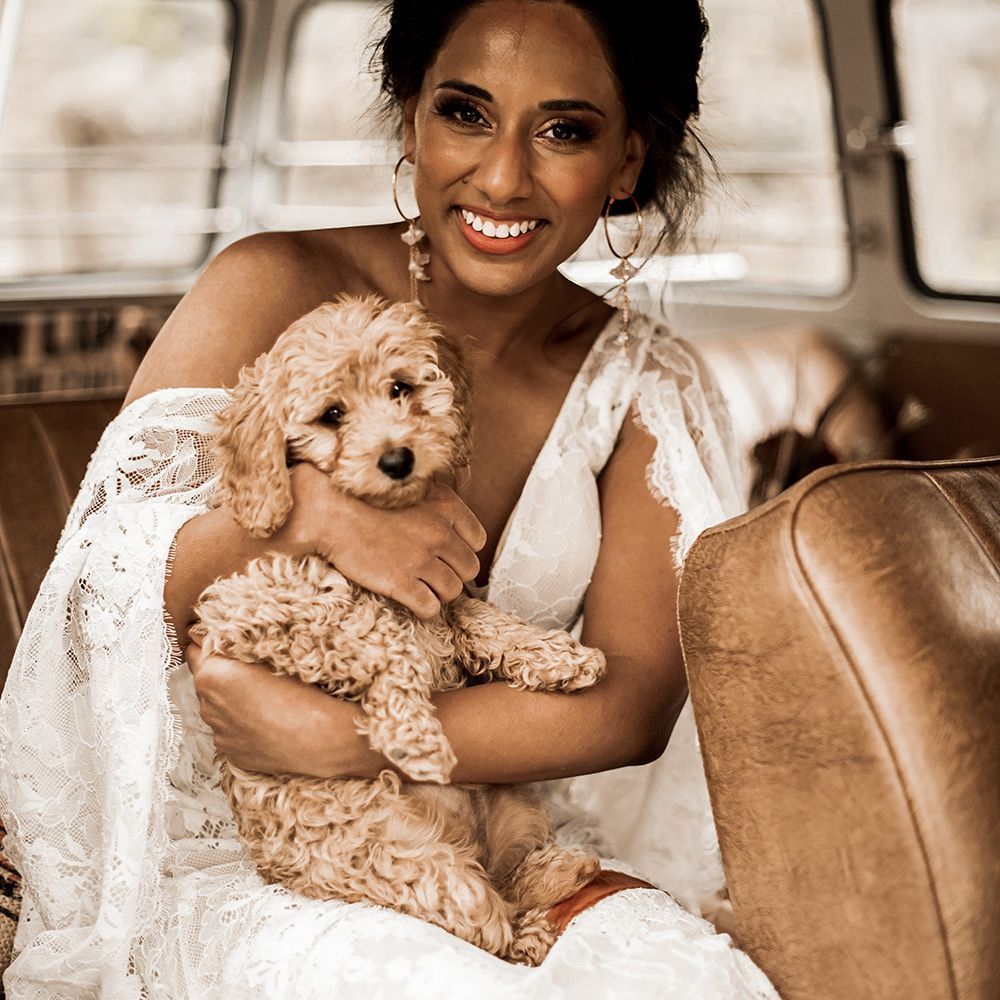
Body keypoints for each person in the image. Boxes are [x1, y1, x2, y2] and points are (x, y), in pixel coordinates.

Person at [0, 1, 778, 996]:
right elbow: (94, 590)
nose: (501, 176)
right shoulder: (270, 281)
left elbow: (627, 706)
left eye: (563, 131)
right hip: (229, 847)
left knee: (687, 981)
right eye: (465, 112)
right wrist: (317, 516)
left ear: (626, 162)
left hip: (493, 834)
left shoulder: (647, 384)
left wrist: (349, 737)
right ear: (411, 119)